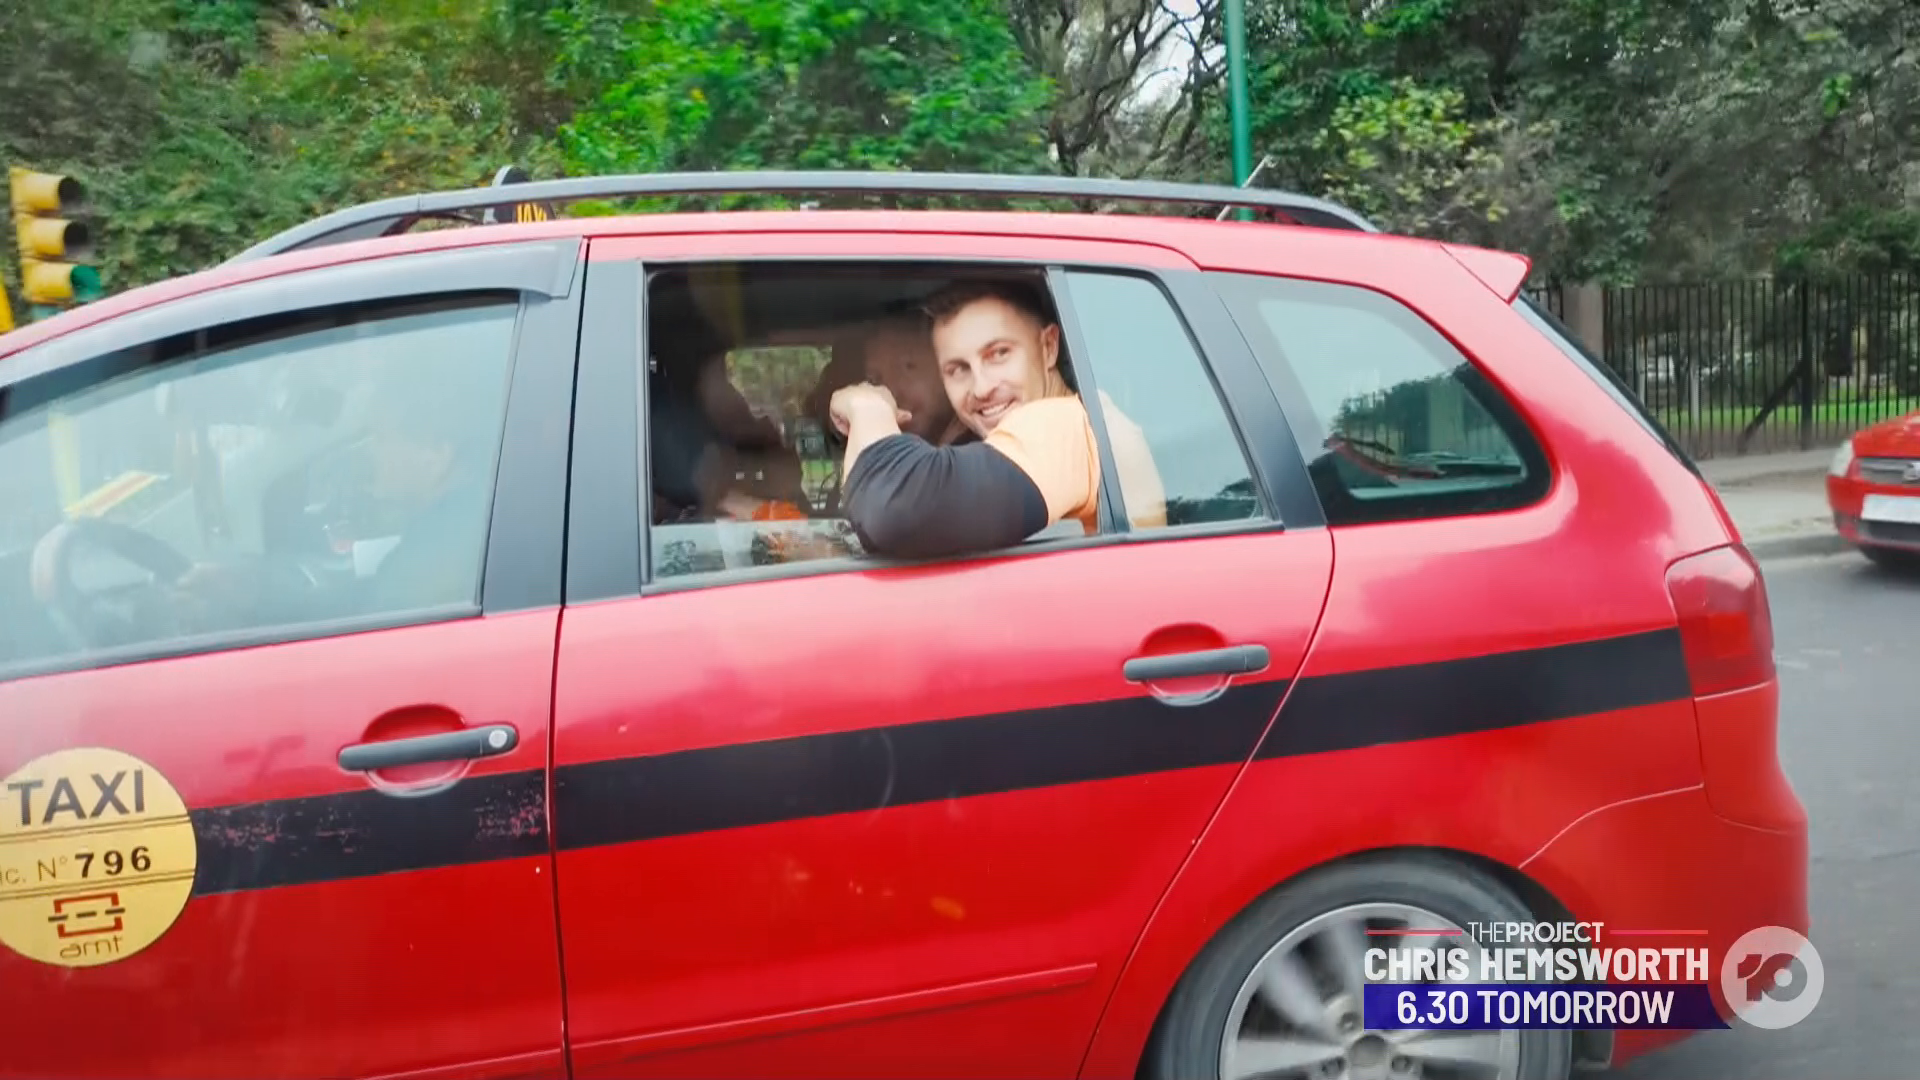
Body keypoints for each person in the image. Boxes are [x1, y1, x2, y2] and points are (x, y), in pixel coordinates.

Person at [828, 277, 1165, 559]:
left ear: (1048, 347)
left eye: (999, 354)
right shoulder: (1079, 420)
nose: (981, 387)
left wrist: (867, 404)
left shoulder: (1065, 426)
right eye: (958, 369)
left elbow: (895, 508)